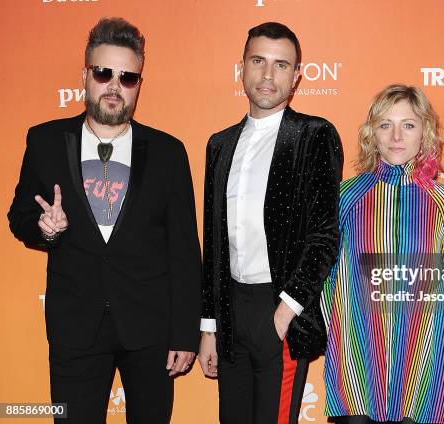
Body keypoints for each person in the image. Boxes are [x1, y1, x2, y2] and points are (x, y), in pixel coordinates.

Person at [7, 17, 202, 423]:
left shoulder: (168, 152)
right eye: (103, 73)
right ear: (85, 75)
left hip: (150, 332)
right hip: (75, 328)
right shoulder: (44, 141)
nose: (114, 86)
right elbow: (20, 215)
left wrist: (185, 333)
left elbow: (184, 249)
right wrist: (44, 229)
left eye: (128, 77)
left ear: (138, 85)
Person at [197, 22, 343, 424]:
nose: (267, 75)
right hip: (229, 313)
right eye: (258, 61)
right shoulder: (219, 144)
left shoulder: (314, 135)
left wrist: (285, 312)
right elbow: (213, 242)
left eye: (281, 65)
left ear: (296, 76)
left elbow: (324, 236)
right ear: (241, 67)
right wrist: (208, 326)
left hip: (277, 310)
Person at [322, 84, 444, 424]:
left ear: (424, 133)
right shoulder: (345, 195)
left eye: (408, 125)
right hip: (357, 350)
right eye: (386, 125)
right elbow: (326, 277)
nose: (396, 136)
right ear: (373, 133)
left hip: (425, 356)